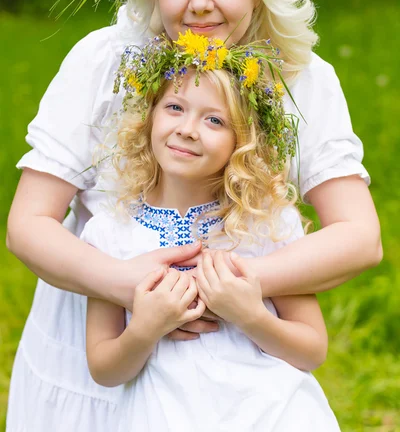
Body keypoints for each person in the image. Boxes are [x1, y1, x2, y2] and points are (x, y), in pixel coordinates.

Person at [6, 0, 381, 432]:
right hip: (101, 357)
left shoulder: (300, 77)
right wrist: (128, 285)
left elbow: (359, 238)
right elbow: (28, 223)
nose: (199, 3)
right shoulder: (105, 60)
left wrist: (230, 287)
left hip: (239, 365)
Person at [82, 32, 340, 431]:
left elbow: (312, 350)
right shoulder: (109, 233)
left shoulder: (267, 224)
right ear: (149, 115)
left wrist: (251, 316)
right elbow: (104, 368)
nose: (188, 129)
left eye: (214, 120)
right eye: (174, 107)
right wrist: (145, 329)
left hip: (273, 414)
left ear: (243, 140)